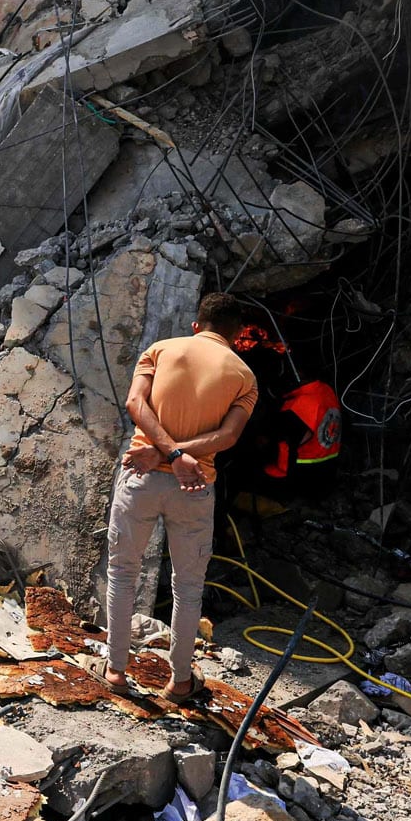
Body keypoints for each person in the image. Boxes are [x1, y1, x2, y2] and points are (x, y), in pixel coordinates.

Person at [105, 291, 261, 702]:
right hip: (194, 487)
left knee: (123, 574)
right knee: (188, 588)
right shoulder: (244, 376)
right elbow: (228, 437)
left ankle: (116, 671)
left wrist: (164, 452)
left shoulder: (159, 350)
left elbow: (135, 402)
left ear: (197, 325)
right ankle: (179, 682)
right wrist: (180, 456)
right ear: (238, 334)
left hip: (140, 478)